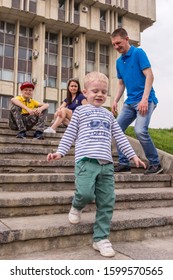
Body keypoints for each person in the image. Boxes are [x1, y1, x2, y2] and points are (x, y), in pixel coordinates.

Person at [47, 71, 146, 257]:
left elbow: (120, 138)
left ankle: (101, 238)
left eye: (103, 91)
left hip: (106, 165)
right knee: (85, 193)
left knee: (107, 202)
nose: (100, 94)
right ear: (85, 92)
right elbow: (69, 134)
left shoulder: (109, 116)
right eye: (95, 91)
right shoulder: (79, 112)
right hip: (86, 161)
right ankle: (77, 205)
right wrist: (60, 151)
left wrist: (133, 156)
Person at [111, 28, 163, 175]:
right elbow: (121, 84)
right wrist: (115, 100)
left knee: (140, 130)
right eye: (114, 44)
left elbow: (149, 76)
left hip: (146, 100)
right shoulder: (119, 62)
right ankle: (124, 162)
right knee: (116, 129)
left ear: (127, 39)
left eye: (118, 43)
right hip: (130, 102)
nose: (116, 47)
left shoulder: (138, 53)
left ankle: (155, 163)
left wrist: (145, 99)